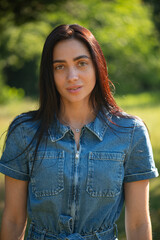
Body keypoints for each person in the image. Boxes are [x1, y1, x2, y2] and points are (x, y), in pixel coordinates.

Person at [0, 24, 159, 240]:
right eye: (60, 67)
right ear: (50, 74)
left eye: (81, 63)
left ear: (97, 66)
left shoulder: (130, 133)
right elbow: (13, 219)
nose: (72, 76)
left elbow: (139, 224)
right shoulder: (24, 131)